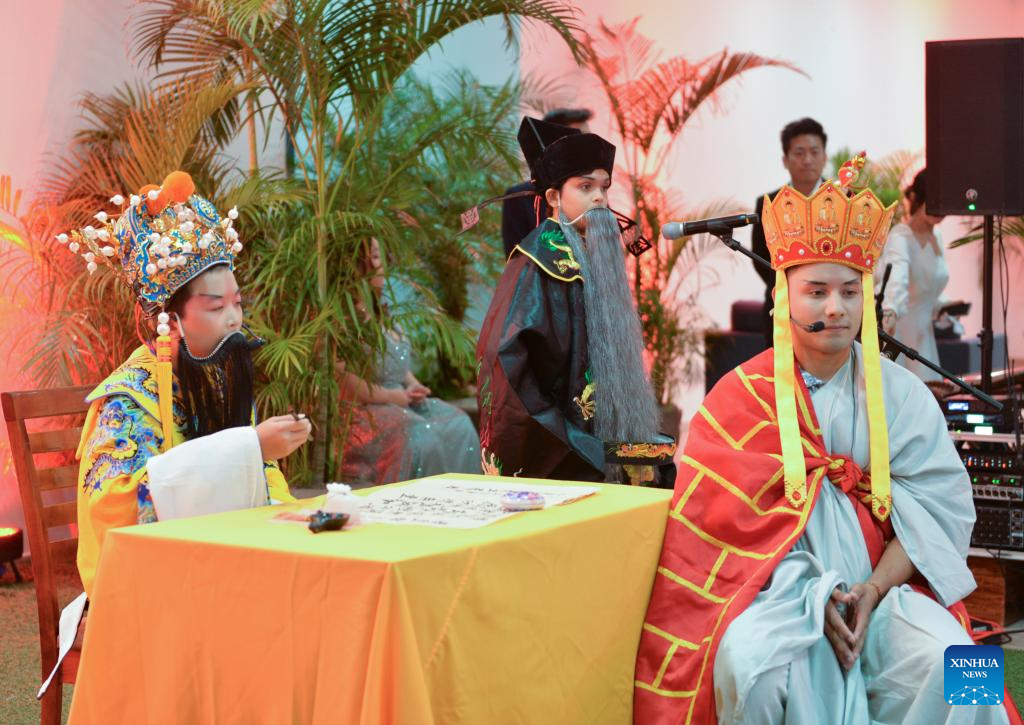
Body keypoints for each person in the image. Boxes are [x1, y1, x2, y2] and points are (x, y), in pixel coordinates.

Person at [634, 155, 1014, 724]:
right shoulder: (739, 398)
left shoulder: (903, 396)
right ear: (784, 297)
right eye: (816, 291)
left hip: (884, 597)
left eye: (849, 292)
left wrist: (871, 590)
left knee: (969, 671)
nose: (835, 308)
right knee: (748, 666)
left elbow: (937, 515)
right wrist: (816, 596)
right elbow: (715, 543)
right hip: (776, 601)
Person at [72, 171, 310, 597]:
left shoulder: (218, 381)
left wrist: (285, 513)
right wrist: (248, 449)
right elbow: (116, 510)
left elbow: (266, 479)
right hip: (153, 591)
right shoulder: (128, 400)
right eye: (216, 307)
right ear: (170, 319)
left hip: (228, 566)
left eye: (237, 303)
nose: (234, 319)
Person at [477, 117, 675, 486]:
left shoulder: (595, 257)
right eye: (585, 187)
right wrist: (577, 443)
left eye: (604, 187)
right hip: (561, 444)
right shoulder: (535, 262)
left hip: (601, 437)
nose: (599, 198)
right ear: (554, 197)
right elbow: (504, 362)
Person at [336, 237, 479, 484]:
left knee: (460, 424)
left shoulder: (381, 309)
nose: (381, 264)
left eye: (381, 256)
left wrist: (412, 384)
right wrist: (390, 396)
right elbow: (343, 380)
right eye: (374, 257)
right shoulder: (342, 318)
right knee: (423, 436)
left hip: (401, 399)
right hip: (367, 410)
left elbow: (396, 361)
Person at [876, 168, 965, 382]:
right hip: (901, 329)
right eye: (934, 202)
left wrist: (943, 306)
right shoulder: (901, 237)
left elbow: (926, 288)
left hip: (924, 334)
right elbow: (896, 279)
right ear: (917, 198)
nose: (940, 210)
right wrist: (891, 310)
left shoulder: (937, 236)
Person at [751, 117, 829, 346]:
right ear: (785, 160)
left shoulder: (844, 200)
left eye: (814, 152)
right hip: (783, 308)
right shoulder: (768, 203)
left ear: (824, 157)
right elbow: (760, 257)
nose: (807, 160)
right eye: (799, 153)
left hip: (831, 308)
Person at [500, 108, 593, 259]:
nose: (590, 149)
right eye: (581, 141)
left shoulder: (593, 193)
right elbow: (517, 261)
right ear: (555, 145)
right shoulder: (519, 198)